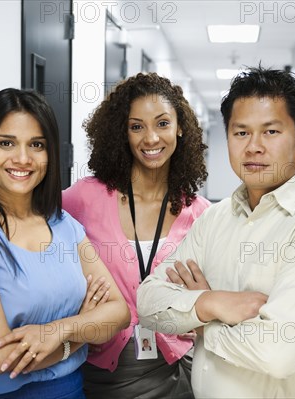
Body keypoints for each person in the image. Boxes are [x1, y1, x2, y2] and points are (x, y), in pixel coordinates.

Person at [137, 66, 295, 398]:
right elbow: (149, 302)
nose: (253, 147)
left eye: (271, 132)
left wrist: (199, 319)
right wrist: (213, 301)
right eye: (241, 132)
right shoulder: (214, 218)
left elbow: (279, 353)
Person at [0, 88, 130, 399]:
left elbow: (118, 313)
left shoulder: (65, 226)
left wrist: (56, 332)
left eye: (36, 145)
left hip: (72, 392)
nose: (22, 158)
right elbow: (3, 359)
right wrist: (82, 329)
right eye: (6, 143)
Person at [62, 72, 210, 398]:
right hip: (101, 373)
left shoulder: (201, 214)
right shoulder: (83, 199)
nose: (151, 138)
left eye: (162, 123)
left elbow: (218, 301)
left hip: (177, 373)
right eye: (136, 126)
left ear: (180, 127)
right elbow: (35, 242)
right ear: (122, 133)